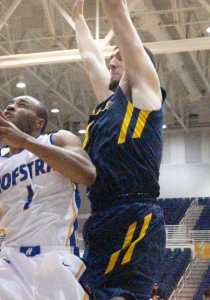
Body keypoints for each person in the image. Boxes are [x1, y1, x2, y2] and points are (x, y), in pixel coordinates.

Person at [0, 95, 96, 299]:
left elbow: (87, 174)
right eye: (9, 105)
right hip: (10, 262)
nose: (11, 107)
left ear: (39, 122)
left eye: (21, 105)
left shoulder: (57, 139)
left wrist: (24, 141)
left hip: (56, 258)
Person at [72, 0, 167, 299]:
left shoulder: (146, 93)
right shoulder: (108, 104)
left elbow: (118, 13)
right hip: (100, 215)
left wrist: (116, 8)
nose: (111, 63)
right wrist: (78, 20)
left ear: (136, 61)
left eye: (119, 58)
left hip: (135, 214)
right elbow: (89, 59)